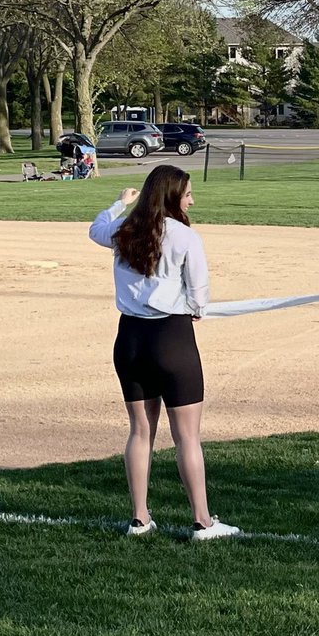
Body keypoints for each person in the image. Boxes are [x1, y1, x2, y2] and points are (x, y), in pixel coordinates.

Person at [88, 165, 240, 541]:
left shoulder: (124, 231)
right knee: (187, 436)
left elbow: (95, 229)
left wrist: (119, 203)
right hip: (172, 338)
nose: (192, 199)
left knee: (141, 432)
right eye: (187, 193)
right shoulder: (186, 237)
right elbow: (199, 292)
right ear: (173, 196)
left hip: (130, 341)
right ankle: (202, 522)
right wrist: (196, 307)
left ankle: (140, 519)